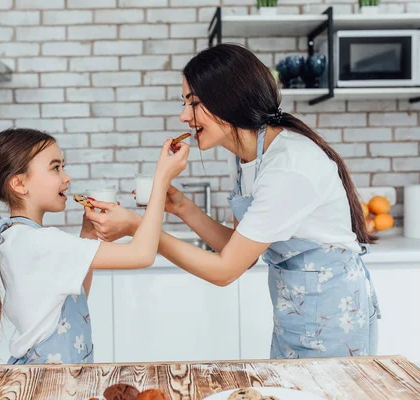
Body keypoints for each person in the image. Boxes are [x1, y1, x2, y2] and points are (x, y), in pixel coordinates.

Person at [86, 43, 381, 359]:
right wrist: (183, 207)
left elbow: (226, 269)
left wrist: (138, 227)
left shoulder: (289, 166)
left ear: (228, 98)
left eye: (193, 102)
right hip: (297, 316)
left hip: (334, 320)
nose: (184, 115)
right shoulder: (251, 157)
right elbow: (241, 250)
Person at [0, 127, 188, 365]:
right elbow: (142, 255)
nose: (66, 176)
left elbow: (72, 295)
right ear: (19, 184)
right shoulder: (43, 242)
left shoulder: (17, 237)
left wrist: (89, 234)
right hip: (49, 381)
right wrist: (161, 181)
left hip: (46, 376)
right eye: (55, 167)